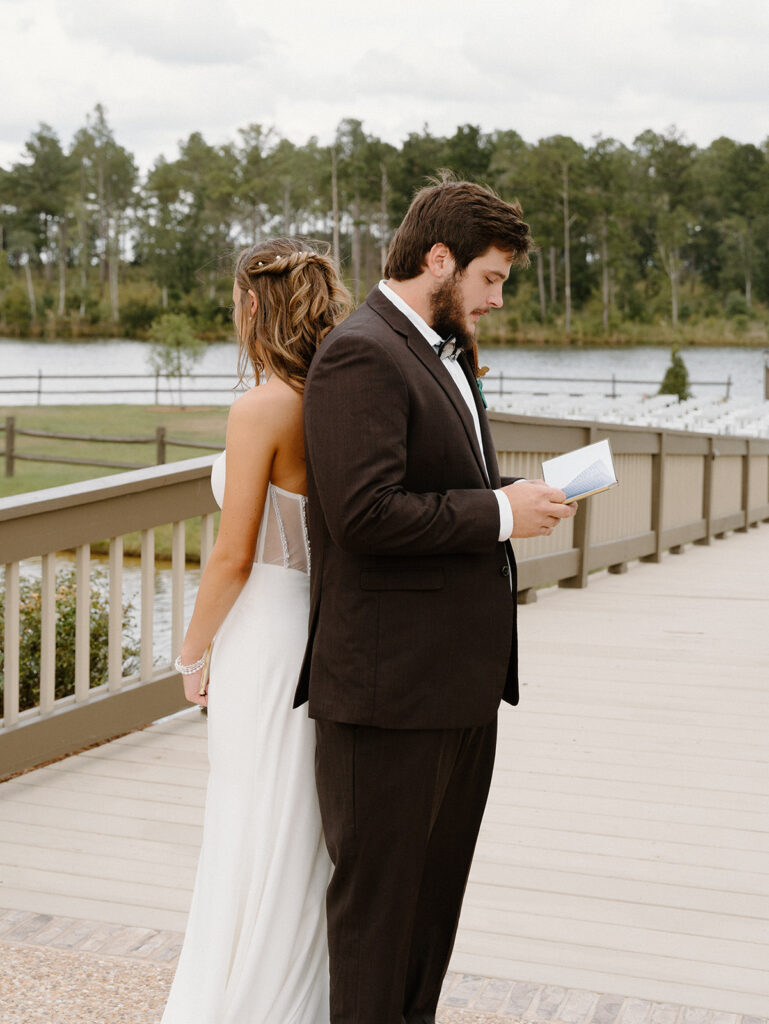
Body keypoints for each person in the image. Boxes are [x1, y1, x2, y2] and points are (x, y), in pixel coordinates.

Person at [294, 177, 577, 1024]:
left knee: (429, 913)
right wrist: (497, 512)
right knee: (379, 920)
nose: (494, 300)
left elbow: (430, 485)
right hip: (388, 693)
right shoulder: (361, 351)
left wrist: (509, 495)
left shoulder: (432, 347)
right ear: (439, 257)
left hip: (455, 684)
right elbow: (362, 514)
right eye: (490, 279)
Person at [161, 237, 351, 1024]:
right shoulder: (338, 398)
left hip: (265, 632)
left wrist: (191, 649)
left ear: (250, 305)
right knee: (296, 817)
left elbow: (233, 554)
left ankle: (241, 1001)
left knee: (247, 811)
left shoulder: (261, 407)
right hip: (321, 621)